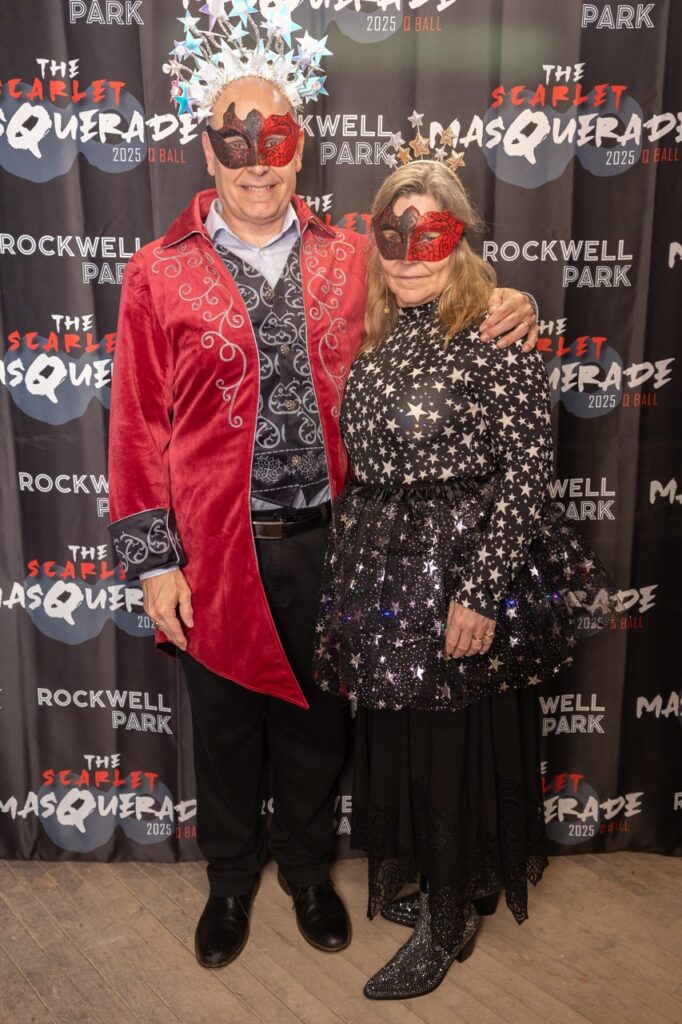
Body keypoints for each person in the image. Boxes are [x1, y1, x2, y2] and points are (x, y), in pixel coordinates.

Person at [107, 4, 539, 971]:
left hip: (338, 541)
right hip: (216, 548)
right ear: (208, 153)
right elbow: (136, 424)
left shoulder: (353, 253)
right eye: (236, 143)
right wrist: (152, 565)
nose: (257, 163)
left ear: (299, 149)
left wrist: (512, 298)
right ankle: (228, 884)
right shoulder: (156, 274)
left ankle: (306, 873)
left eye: (276, 142)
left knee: (315, 722)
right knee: (223, 729)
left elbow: (442, 290)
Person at [313, 160, 615, 1000]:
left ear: (461, 239)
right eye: (393, 235)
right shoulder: (376, 333)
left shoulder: (496, 330)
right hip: (386, 579)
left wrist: (479, 592)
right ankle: (444, 886)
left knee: (453, 748)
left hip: (458, 576)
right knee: (408, 743)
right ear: (375, 245)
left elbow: (526, 476)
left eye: (430, 234)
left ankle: (450, 919)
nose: (410, 253)